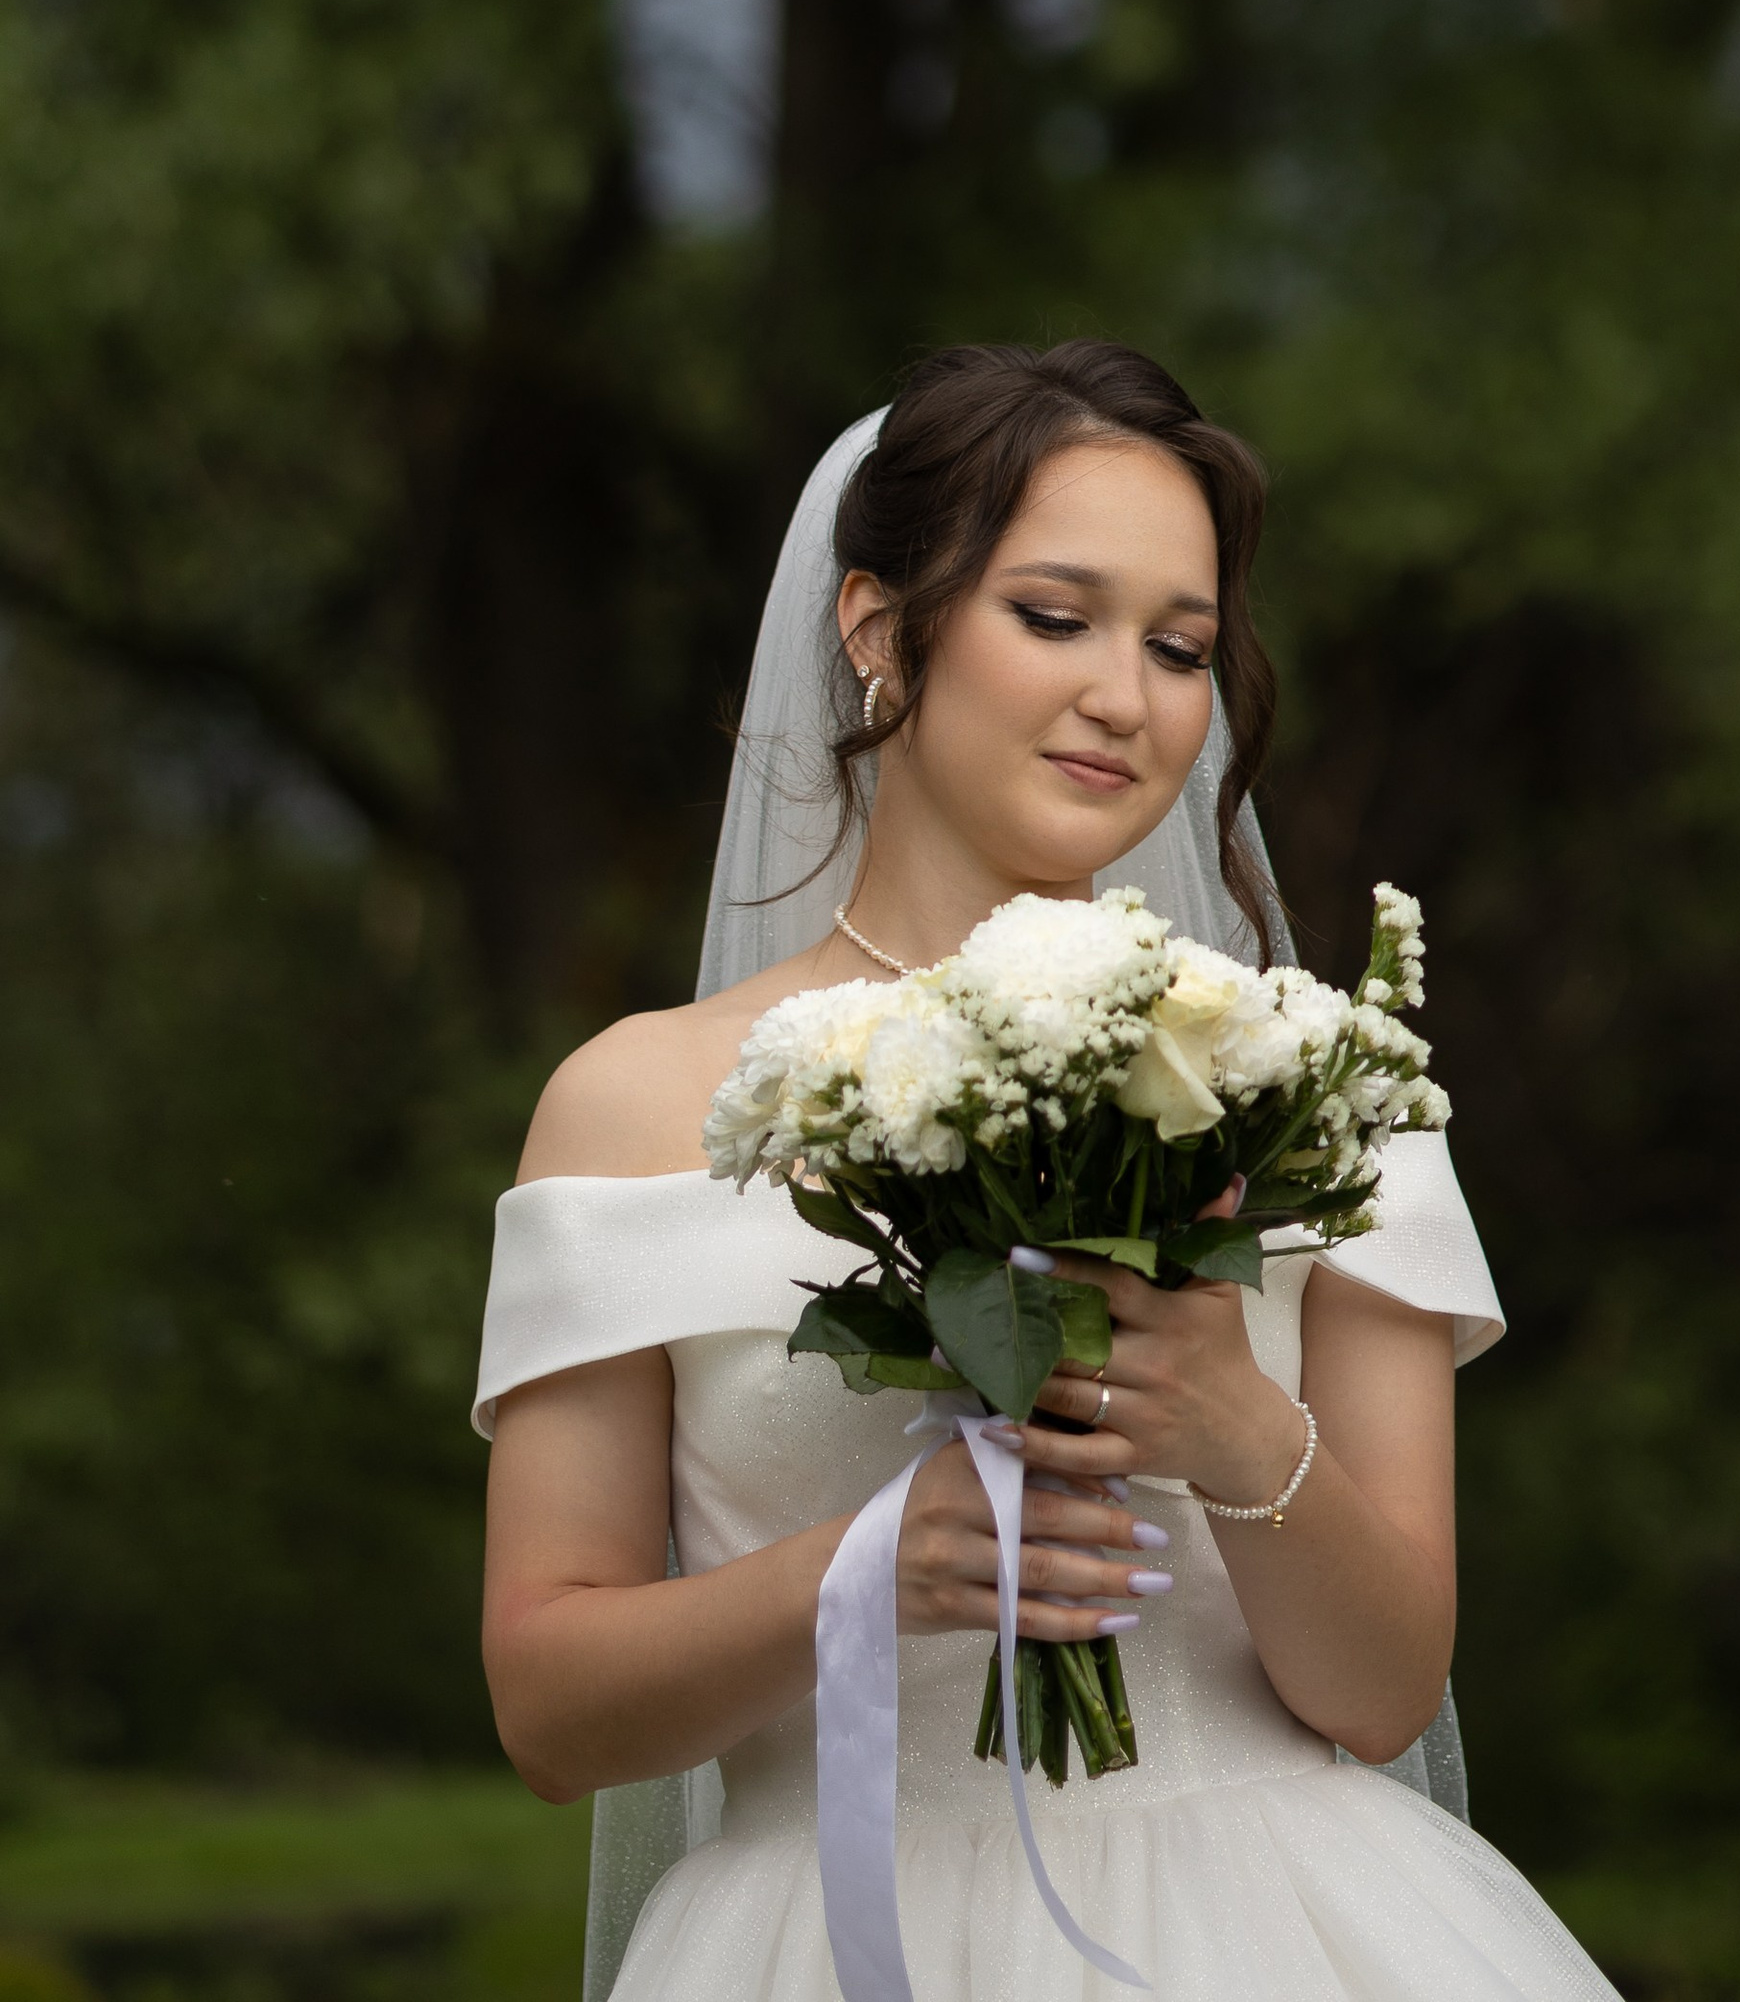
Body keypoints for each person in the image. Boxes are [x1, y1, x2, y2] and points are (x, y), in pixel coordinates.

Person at [474, 339, 1615, 2002]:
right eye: (1054, 616)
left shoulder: (1311, 1089)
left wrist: (1234, 1424)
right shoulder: (639, 1103)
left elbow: (1385, 1695)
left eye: (1179, 647)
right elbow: (548, 1711)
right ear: (881, 630)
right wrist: (864, 1576)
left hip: (1271, 1936)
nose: (1125, 699)